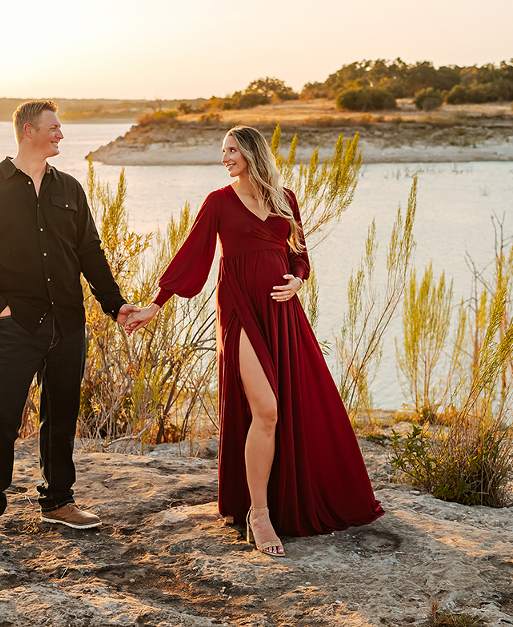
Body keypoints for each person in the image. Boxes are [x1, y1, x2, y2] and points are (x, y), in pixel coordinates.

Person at [125, 125, 382, 556]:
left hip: (283, 314)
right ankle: (258, 514)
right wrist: (155, 304)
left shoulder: (286, 198)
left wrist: (298, 282)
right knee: (266, 409)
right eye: (222, 151)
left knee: (295, 409)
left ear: (251, 152)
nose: (225, 158)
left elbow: (300, 256)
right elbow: (192, 256)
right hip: (241, 312)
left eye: (231, 150)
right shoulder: (218, 202)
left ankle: (280, 502)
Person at [0, 99, 137, 553]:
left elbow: (90, 254)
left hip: (68, 324)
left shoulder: (71, 189)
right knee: (1, 420)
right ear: (28, 131)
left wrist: (116, 307)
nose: (61, 135)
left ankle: (57, 501)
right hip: (17, 327)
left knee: (61, 418)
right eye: (54, 128)